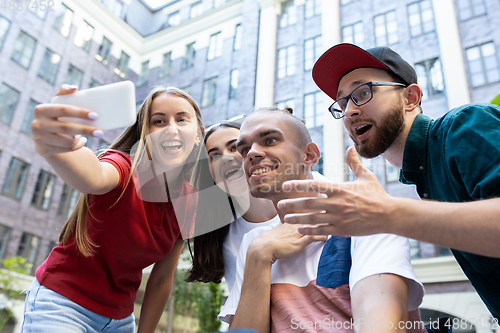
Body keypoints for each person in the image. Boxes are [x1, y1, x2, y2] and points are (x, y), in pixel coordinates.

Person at [278, 43, 500, 320]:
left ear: (410, 98)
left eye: (362, 93)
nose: (349, 112)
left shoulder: (464, 125)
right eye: (342, 103)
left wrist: (385, 214)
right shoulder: (423, 174)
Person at [219, 107, 426, 333]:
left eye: (270, 140)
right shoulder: (254, 244)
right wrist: (259, 255)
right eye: (244, 149)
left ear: (309, 156)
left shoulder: (367, 218)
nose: (252, 153)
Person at [23, 84, 205, 332]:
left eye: (182, 119)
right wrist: (60, 146)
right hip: (64, 303)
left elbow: (162, 278)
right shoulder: (123, 167)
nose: (171, 128)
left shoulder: (190, 201)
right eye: (158, 122)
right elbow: (94, 175)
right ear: (145, 134)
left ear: (198, 134)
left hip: (120, 319)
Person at [185, 119, 279, 290]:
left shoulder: (311, 191)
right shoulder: (228, 243)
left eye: (234, 147)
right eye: (214, 155)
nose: (226, 158)